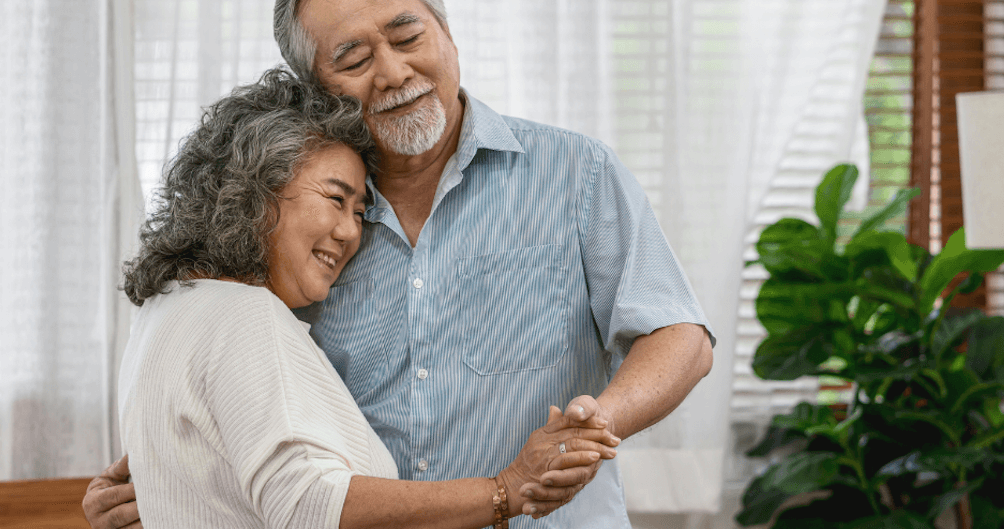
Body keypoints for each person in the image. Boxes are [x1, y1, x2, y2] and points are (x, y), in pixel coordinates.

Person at [86, 0, 716, 528]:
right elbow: (247, 393)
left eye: (407, 35)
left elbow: (680, 334)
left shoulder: (575, 172)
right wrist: (175, 473)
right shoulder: (298, 230)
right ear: (316, 91)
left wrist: (595, 422)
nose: (391, 72)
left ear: (447, 34)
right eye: (353, 58)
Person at [105, 68, 620, 529]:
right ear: (253, 190)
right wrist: (505, 490)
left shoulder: (168, 308)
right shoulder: (244, 316)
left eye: (360, 211)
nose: (352, 232)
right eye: (336, 199)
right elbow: (308, 505)